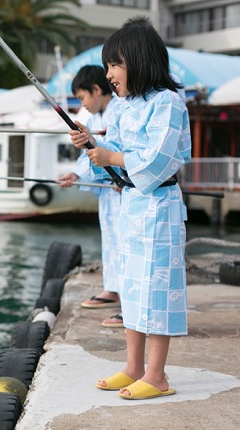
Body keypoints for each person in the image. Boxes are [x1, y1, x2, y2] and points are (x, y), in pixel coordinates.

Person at [69, 16, 191, 400]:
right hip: (132, 208)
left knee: (157, 290)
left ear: (138, 60)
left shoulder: (168, 102)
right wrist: (92, 148)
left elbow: (157, 160)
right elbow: (111, 167)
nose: (109, 76)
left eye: (113, 65)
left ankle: (157, 375)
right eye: (106, 67)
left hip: (160, 209)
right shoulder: (121, 107)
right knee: (132, 288)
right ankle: (133, 367)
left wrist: (112, 156)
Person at [56, 65, 124, 329]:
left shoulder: (119, 110)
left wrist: (125, 177)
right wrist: (75, 174)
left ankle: (126, 302)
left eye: (83, 98)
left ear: (97, 90)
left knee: (125, 244)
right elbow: (89, 155)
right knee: (110, 240)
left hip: (123, 189)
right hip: (109, 192)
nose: (83, 105)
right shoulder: (95, 119)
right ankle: (112, 288)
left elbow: (118, 149)